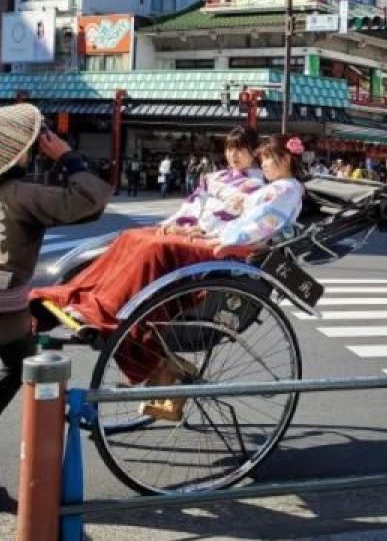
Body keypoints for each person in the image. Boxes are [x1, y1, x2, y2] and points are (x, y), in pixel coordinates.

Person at [32, 134, 307, 416]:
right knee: (131, 237)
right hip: (211, 235)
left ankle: (107, 310)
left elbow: (256, 224)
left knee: (153, 248)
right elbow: (204, 208)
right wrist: (184, 225)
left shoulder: (281, 188)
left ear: (284, 159)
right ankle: (87, 298)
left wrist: (216, 234)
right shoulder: (247, 182)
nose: (261, 162)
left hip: (229, 247)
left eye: (264, 157)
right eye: (232, 149)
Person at [0, 105, 113, 510]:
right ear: (12, 155)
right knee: (19, 368)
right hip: (3, 313)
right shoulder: (24, 196)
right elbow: (91, 199)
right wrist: (67, 157)